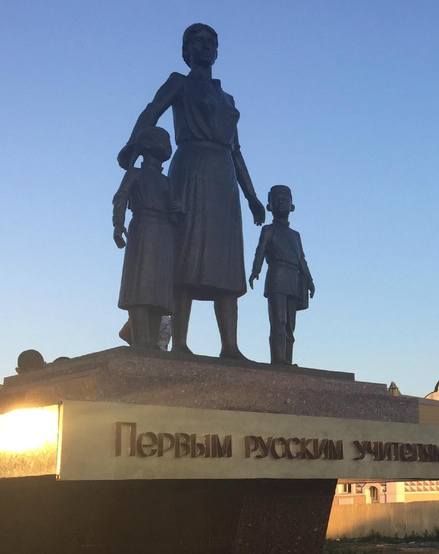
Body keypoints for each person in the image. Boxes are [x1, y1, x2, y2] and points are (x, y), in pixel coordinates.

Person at [117, 23, 265, 359]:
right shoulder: (179, 83)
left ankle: (230, 346)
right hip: (191, 168)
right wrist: (132, 146)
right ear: (186, 50)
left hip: (223, 176)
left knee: (227, 262)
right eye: (197, 41)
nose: (206, 46)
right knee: (185, 254)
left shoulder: (226, 98)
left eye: (212, 42)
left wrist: (252, 195)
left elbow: (237, 150)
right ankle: (180, 342)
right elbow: (152, 111)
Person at [113, 127, 182, 349]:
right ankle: (141, 340)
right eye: (163, 139)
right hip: (143, 228)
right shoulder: (135, 174)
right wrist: (118, 224)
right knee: (140, 285)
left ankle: (152, 342)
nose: (167, 144)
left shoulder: (167, 181)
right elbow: (120, 197)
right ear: (147, 145)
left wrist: (179, 210)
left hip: (165, 233)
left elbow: (177, 214)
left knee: (159, 291)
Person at [249, 185, 314, 365]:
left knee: (290, 325)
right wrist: (256, 270)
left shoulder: (296, 235)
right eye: (277, 198)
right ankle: (278, 360)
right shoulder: (269, 230)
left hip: (294, 278)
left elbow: (302, 258)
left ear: (292, 206)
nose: (282, 202)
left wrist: (309, 279)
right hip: (277, 276)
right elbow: (260, 251)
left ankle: (287, 359)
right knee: (278, 321)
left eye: (286, 198)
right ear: (269, 206)